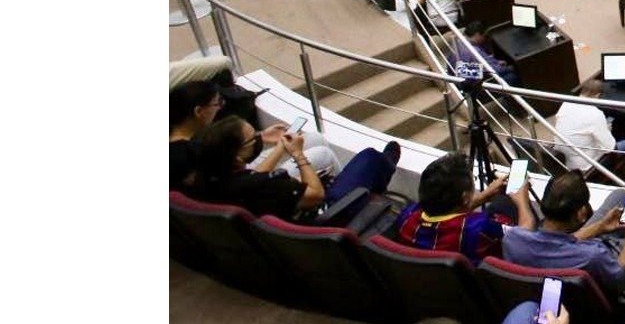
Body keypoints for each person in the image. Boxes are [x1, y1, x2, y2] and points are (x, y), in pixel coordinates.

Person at [501, 171, 625, 291]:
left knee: (620, 195)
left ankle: (616, 227)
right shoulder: (592, 256)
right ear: (581, 214)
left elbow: (559, 243)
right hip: (615, 256)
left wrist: (600, 226)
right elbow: (619, 273)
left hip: (580, 246)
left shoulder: (513, 239)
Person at [188, 115, 399, 219]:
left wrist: (278, 146)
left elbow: (252, 177)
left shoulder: (210, 176)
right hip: (323, 214)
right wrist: (298, 155)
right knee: (370, 158)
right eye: (253, 139)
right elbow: (315, 195)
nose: (259, 139)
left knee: (315, 141)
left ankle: (355, 186)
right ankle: (368, 192)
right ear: (236, 155)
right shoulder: (267, 184)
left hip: (285, 205)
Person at [396, 152, 533, 261]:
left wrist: (484, 196)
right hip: (482, 279)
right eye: (473, 179)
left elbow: (445, 214)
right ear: (465, 198)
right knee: (508, 204)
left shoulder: (407, 216)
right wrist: (522, 201)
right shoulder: (479, 228)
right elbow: (524, 237)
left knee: (501, 203)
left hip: (434, 281)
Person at [553, 79, 625, 172]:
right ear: (597, 95)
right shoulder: (595, 114)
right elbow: (610, 148)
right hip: (586, 164)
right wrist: (607, 130)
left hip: (567, 158)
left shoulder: (566, 103)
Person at [455, 25, 519, 85]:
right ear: (477, 35)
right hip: (473, 82)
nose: (484, 39)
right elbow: (492, 71)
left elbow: (485, 63)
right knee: (513, 76)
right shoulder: (475, 51)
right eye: (484, 36)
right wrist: (510, 68)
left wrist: (496, 62)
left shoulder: (459, 42)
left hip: (462, 73)